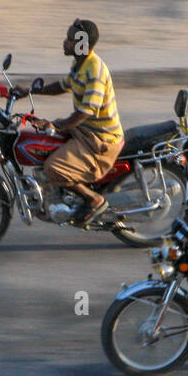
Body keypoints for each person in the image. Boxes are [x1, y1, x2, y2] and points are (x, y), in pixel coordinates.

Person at [27, 19, 124, 227]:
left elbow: (87, 111)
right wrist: (29, 91)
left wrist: (58, 126)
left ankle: (95, 200)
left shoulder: (94, 71)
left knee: (53, 168)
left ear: (82, 44)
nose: (65, 42)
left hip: (100, 140)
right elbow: (63, 86)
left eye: (71, 40)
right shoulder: (80, 64)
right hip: (85, 132)